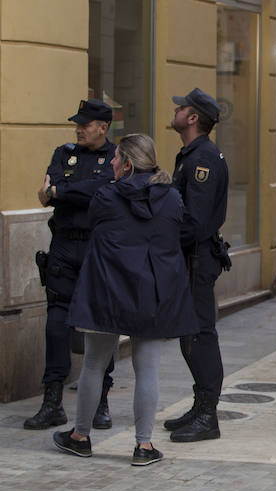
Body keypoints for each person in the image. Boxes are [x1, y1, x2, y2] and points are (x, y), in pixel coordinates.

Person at [51, 133, 198, 465]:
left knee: (92, 365)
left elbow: (95, 224)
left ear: (128, 163)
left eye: (117, 158)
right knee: (147, 370)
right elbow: (178, 233)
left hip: (107, 291)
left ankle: (80, 436)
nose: (112, 163)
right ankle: (143, 446)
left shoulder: (105, 196)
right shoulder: (171, 198)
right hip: (152, 293)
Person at [26, 99, 117, 431]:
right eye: (77, 124)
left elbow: (104, 190)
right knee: (55, 325)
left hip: (97, 247)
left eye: (85, 124)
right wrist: (63, 192)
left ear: (102, 127)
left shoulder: (115, 158)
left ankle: (100, 403)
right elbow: (50, 190)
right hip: (63, 246)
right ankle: (52, 402)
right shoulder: (62, 153)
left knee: (100, 325)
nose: (78, 129)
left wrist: (62, 191)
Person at [163, 88, 230, 443]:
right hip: (191, 257)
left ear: (192, 118)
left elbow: (196, 221)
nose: (175, 109)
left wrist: (162, 242)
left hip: (197, 257)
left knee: (200, 335)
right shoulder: (191, 154)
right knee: (191, 335)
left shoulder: (203, 159)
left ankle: (208, 415)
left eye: (181, 106)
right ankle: (200, 405)